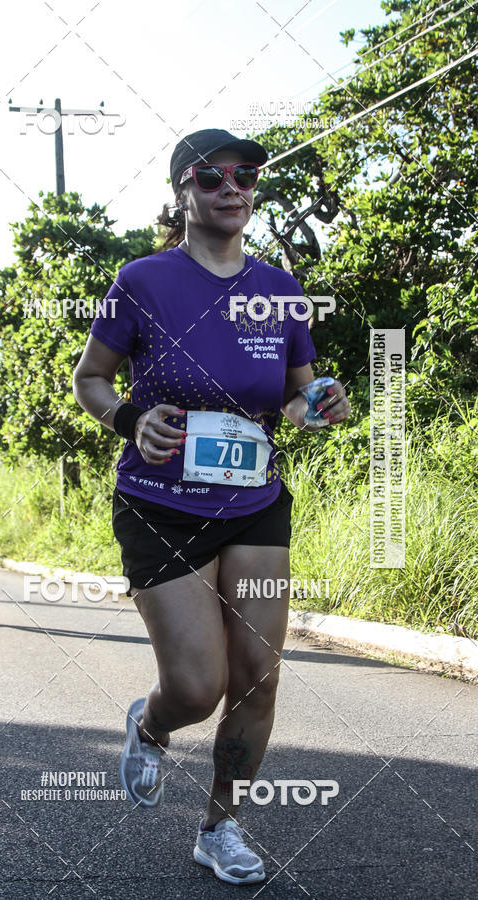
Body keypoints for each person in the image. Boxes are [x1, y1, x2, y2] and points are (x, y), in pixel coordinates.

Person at [73, 127, 351, 885]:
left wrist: (321, 406)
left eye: (246, 176)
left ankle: (220, 828)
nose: (232, 187)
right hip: (159, 505)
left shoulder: (280, 290)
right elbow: (90, 378)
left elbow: (297, 400)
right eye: (211, 177)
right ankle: (152, 722)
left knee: (258, 674)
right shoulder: (142, 281)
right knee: (198, 688)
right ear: (181, 192)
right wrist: (130, 417)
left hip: (254, 503)